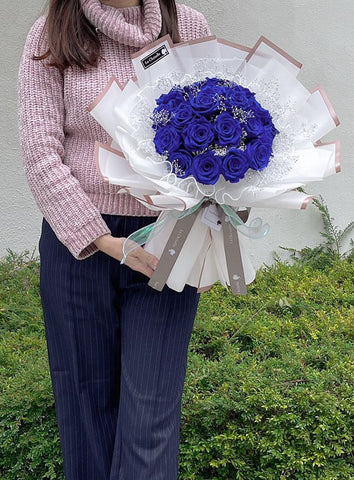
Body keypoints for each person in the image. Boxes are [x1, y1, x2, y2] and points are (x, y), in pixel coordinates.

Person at [17, 1, 211, 479]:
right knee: (85, 413)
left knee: (151, 420)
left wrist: (210, 232)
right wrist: (103, 240)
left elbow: (216, 136)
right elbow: (41, 152)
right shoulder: (50, 34)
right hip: (79, 247)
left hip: (165, 243)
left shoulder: (187, 26)